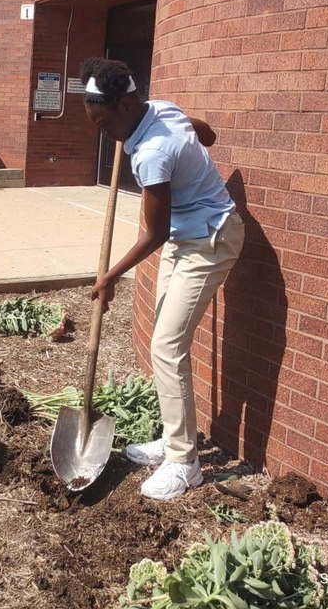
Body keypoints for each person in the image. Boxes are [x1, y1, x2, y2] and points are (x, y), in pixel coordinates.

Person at [83, 57, 244, 501]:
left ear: (126, 102)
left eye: (103, 121)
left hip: (209, 241)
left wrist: (109, 277)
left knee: (168, 347)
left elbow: (152, 233)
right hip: (185, 238)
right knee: (163, 341)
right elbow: (205, 132)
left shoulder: (152, 154)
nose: (102, 132)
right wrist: (191, 148)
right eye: (94, 122)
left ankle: (184, 463)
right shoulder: (162, 109)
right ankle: (176, 439)